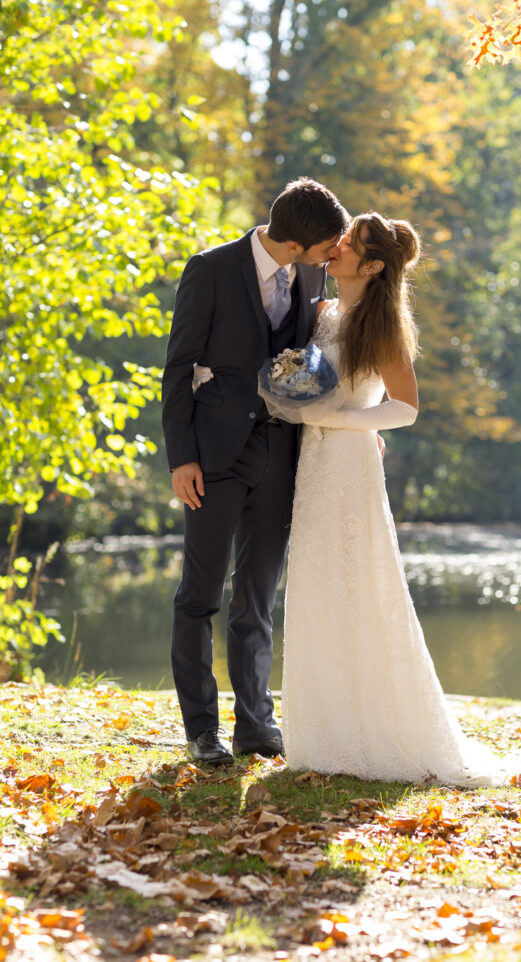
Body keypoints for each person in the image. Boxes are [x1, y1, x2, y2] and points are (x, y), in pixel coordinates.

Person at [275, 213, 521, 786]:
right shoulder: (321, 312)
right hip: (312, 465)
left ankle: (378, 733)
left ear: (373, 265)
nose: (340, 242)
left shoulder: (383, 328)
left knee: (358, 588)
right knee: (315, 586)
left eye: (352, 241)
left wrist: (342, 419)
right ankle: (320, 734)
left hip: (346, 469)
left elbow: (404, 408)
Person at [161, 178, 348, 765]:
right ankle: (200, 732)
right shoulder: (210, 269)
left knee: (258, 597)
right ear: (295, 244)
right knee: (199, 596)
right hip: (213, 459)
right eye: (324, 248)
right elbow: (177, 368)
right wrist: (181, 457)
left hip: (279, 454)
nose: (331, 256)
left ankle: (255, 726)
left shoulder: (312, 275)